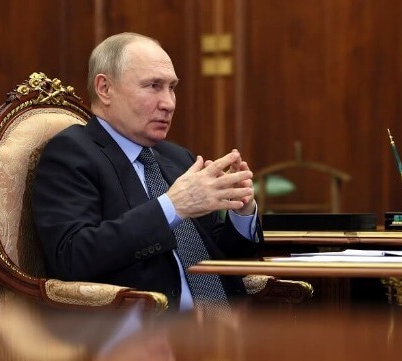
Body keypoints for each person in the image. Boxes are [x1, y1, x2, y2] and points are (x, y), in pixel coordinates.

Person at [32, 32, 262, 312]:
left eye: (172, 87)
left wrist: (241, 214)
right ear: (105, 88)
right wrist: (171, 207)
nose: (169, 103)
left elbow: (220, 255)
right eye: (153, 86)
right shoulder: (72, 153)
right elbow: (73, 257)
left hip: (228, 329)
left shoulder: (177, 158)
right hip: (142, 335)